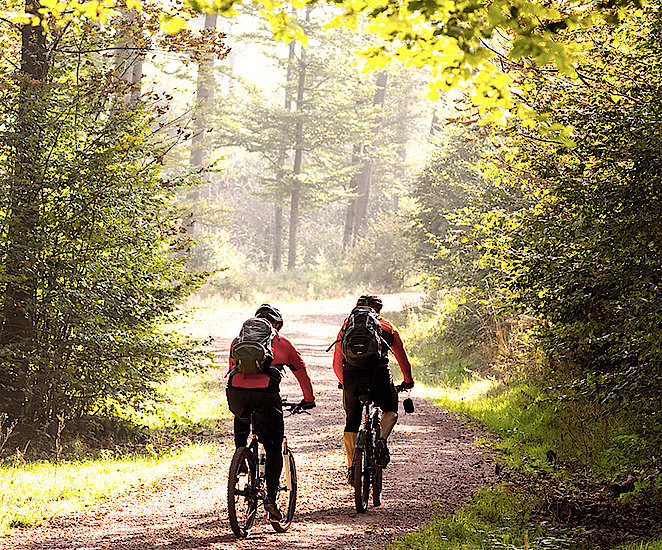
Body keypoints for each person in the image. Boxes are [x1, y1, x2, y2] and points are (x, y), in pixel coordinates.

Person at [226, 303, 315, 520]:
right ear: (276, 324)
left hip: (236, 393)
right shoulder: (283, 344)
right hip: (266, 396)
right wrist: (308, 399)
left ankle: (241, 458)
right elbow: (301, 371)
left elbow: (231, 369)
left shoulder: (238, 341)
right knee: (274, 447)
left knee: (242, 416)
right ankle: (271, 500)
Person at [332, 294, 414, 483]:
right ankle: (381, 440)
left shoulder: (346, 327)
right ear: (378, 310)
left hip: (351, 376)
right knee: (390, 409)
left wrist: (344, 384)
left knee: (352, 422)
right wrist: (407, 381)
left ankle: (353, 466)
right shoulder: (386, 326)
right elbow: (402, 358)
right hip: (379, 376)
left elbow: (337, 361)